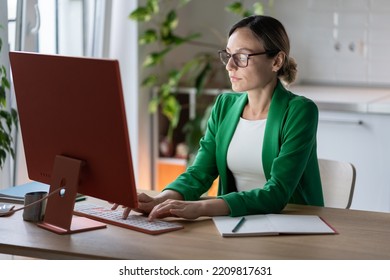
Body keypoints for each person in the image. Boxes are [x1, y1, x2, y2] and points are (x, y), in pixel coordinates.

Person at [124, 15, 324, 220]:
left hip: (294, 225)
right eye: (228, 55)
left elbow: (277, 193)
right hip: (236, 223)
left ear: (276, 61)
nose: (230, 66)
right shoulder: (224, 106)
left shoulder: (300, 111)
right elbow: (200, 172)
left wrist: (201, 208)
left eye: (242, 57)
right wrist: (162, 199)